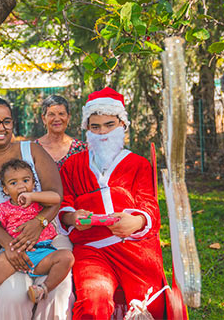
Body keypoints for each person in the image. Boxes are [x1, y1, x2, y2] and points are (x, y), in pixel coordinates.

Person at [58, 87, 176, 319]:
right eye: (95, 126)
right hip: (92, 250)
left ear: (122, 125)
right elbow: (64, 202)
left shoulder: (138, 164)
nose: (102, 132)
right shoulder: (72, 165)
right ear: (87, 129)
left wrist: (138, 220)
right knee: (93, 304)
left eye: (109, 125)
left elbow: (149, 203)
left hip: (133, 247)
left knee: (148, 303)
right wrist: (72, 217)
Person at [0, 97, 74, 320]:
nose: (1, 128)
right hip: (0, 238)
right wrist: (7, 245)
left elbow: (55, 194)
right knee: (12, 296)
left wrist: (38, 223)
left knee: (57, 292)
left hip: (46, 234)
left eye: (7, 121)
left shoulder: (32, 150)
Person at [0, 159, 74, 319]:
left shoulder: (39, 202)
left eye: (26, 180)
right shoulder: (3, 209)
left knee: (67, 257)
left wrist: (32, 195)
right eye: (13, 182)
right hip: (14, 253)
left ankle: (43, 288)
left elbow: (56, 198)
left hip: (42, 251)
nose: (21, 185)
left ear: (33, 183)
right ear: (5, 189)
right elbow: (1, 230)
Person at [35, 95, 87, 170]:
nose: (57, 119)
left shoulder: (80, 149)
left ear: (68, 118)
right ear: (44, 119)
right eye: (51, 114)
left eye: (61, 114)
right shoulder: (34, 149)